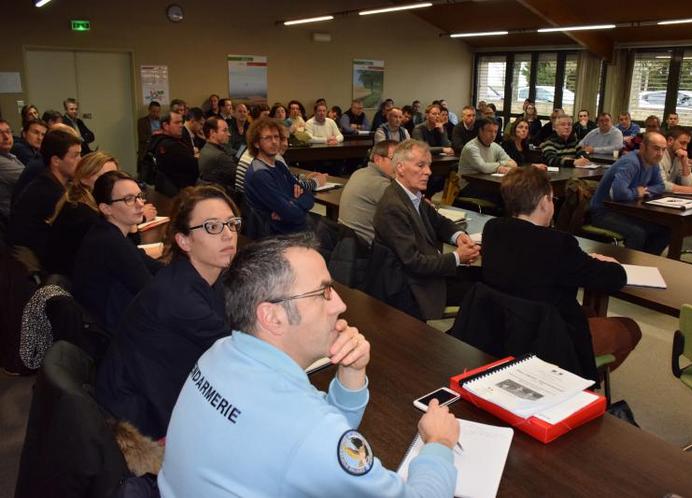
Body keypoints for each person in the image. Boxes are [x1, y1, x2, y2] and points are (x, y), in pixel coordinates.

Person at [158, 234, 460, 498]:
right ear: (272, 316)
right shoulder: (307, 429)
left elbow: (320, 435)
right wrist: (438, 442)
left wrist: (351, 372)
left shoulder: (221, 352)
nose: (340, 305)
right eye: (323, 293)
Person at [96, 185, 240, 439]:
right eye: (212, 226)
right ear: (183, 240)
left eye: (231, 223)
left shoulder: (195, 275)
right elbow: (240, 353)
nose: (228, 234)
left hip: (155, 389)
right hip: (140, 420)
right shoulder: (180, 297)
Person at [481, 167, 642, 376]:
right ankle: (578, 387)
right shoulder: (558, 244)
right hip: (549, 337)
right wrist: (612, 263)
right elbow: (614, 278)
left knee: (589, 313)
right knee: (630, 328)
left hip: (501, 326)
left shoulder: (492, 229)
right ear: (543, 202)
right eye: (552, 199)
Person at [373, 139, 480, 321]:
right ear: (400, 168)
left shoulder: (411, 194)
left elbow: (439, 222)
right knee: (482, 293)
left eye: (428, 166)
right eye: (421, 165)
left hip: (428, 270)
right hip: (412, 287)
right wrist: (457, 257)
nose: (428, 172)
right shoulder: (392, 206)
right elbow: (414, 263)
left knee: (485, 279)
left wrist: (459, 236)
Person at [73, 171, 163, 332]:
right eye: (129, 199)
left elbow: (148, 263)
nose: (140, 204)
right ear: (106, 208)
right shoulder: (109, 241)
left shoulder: (109, 233)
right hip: (111, 336)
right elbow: (150, 290)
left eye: (140, 196)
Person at [45, 152, 141, 277]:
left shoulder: (77, 202)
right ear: (84, 178)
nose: (113, 183)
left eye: (115, 177)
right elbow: (126, 252)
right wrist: (132, 226)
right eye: (105, 177)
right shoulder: (84, 215)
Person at [7, 129, 82, 267]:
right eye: (75, 156)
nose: (80, 160)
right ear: (56, 161)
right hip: (36, 264)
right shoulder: (48, 191)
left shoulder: (51, 183)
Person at [590, 132, 670, 255]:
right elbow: (619, 193)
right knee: (637, 233)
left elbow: (660, 186)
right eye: (656, 148)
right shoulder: (631, 162)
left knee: (665, 229)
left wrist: (645, 190)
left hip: (626, 211)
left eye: (663, 150)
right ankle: (630, 268)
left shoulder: (653, 163)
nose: (660, 154)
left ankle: (645, 262)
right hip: (603, 212)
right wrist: (636, 192)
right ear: (643, 147)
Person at [245, 117, 314, 234]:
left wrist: (292, 203)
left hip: (294, 224)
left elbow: (309, 197)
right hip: (279, 233)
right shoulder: (259, 174)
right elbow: (291, 214)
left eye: (276, 137)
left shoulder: (278, 164)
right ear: (256, 143)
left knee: (344, 234)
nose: (274, 142)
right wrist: (292, 204)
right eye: (267, 138)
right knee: (343, 238)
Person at [339, 140, 397, 245]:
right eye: (394, 159)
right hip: (367, 249)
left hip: (348, 243)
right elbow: (409, 213)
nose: (399, 165)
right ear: (377, 159)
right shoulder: (379, 183)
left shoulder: (359, 172)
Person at [457, 117, 516, 192]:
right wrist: (500, 166)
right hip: (468, 186)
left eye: (495, 131)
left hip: (486, 183)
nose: (493, 135)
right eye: (489, 131)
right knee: (502, 194)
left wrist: (504, 166)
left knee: (509, 192)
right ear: (481, 131)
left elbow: (513, 164)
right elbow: (483, 167)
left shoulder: (495, 146)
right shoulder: (471, 147)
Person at [147, 111, 199, 195]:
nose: (181, 125)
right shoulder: (171, 145)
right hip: (180, 192)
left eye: (181, 122)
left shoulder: (158, 140)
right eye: (177, 122)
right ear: (165, 126)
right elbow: (195, 167)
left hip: (168, 188)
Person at [660, 126, 692, 194]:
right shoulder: (658, 155)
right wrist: (691, 190)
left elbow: (688, 184)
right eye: (682, 143)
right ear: (670, 141)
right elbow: (662, 185)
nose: (685, 148)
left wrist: (684, 162)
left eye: (687, 144)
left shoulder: (679, 156)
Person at [198, 117, 236, 193]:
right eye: (225, 130)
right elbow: (239, 176)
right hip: (222, 195)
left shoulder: (206, 148)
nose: (229, 134)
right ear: (212, 133)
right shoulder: (220, 156)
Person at [0, 120, 25, 231]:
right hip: (11, 224)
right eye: (0, 133)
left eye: (8, 132)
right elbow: (30, 179)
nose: (6, 137)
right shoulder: (1, 162)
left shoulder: (9, 155)